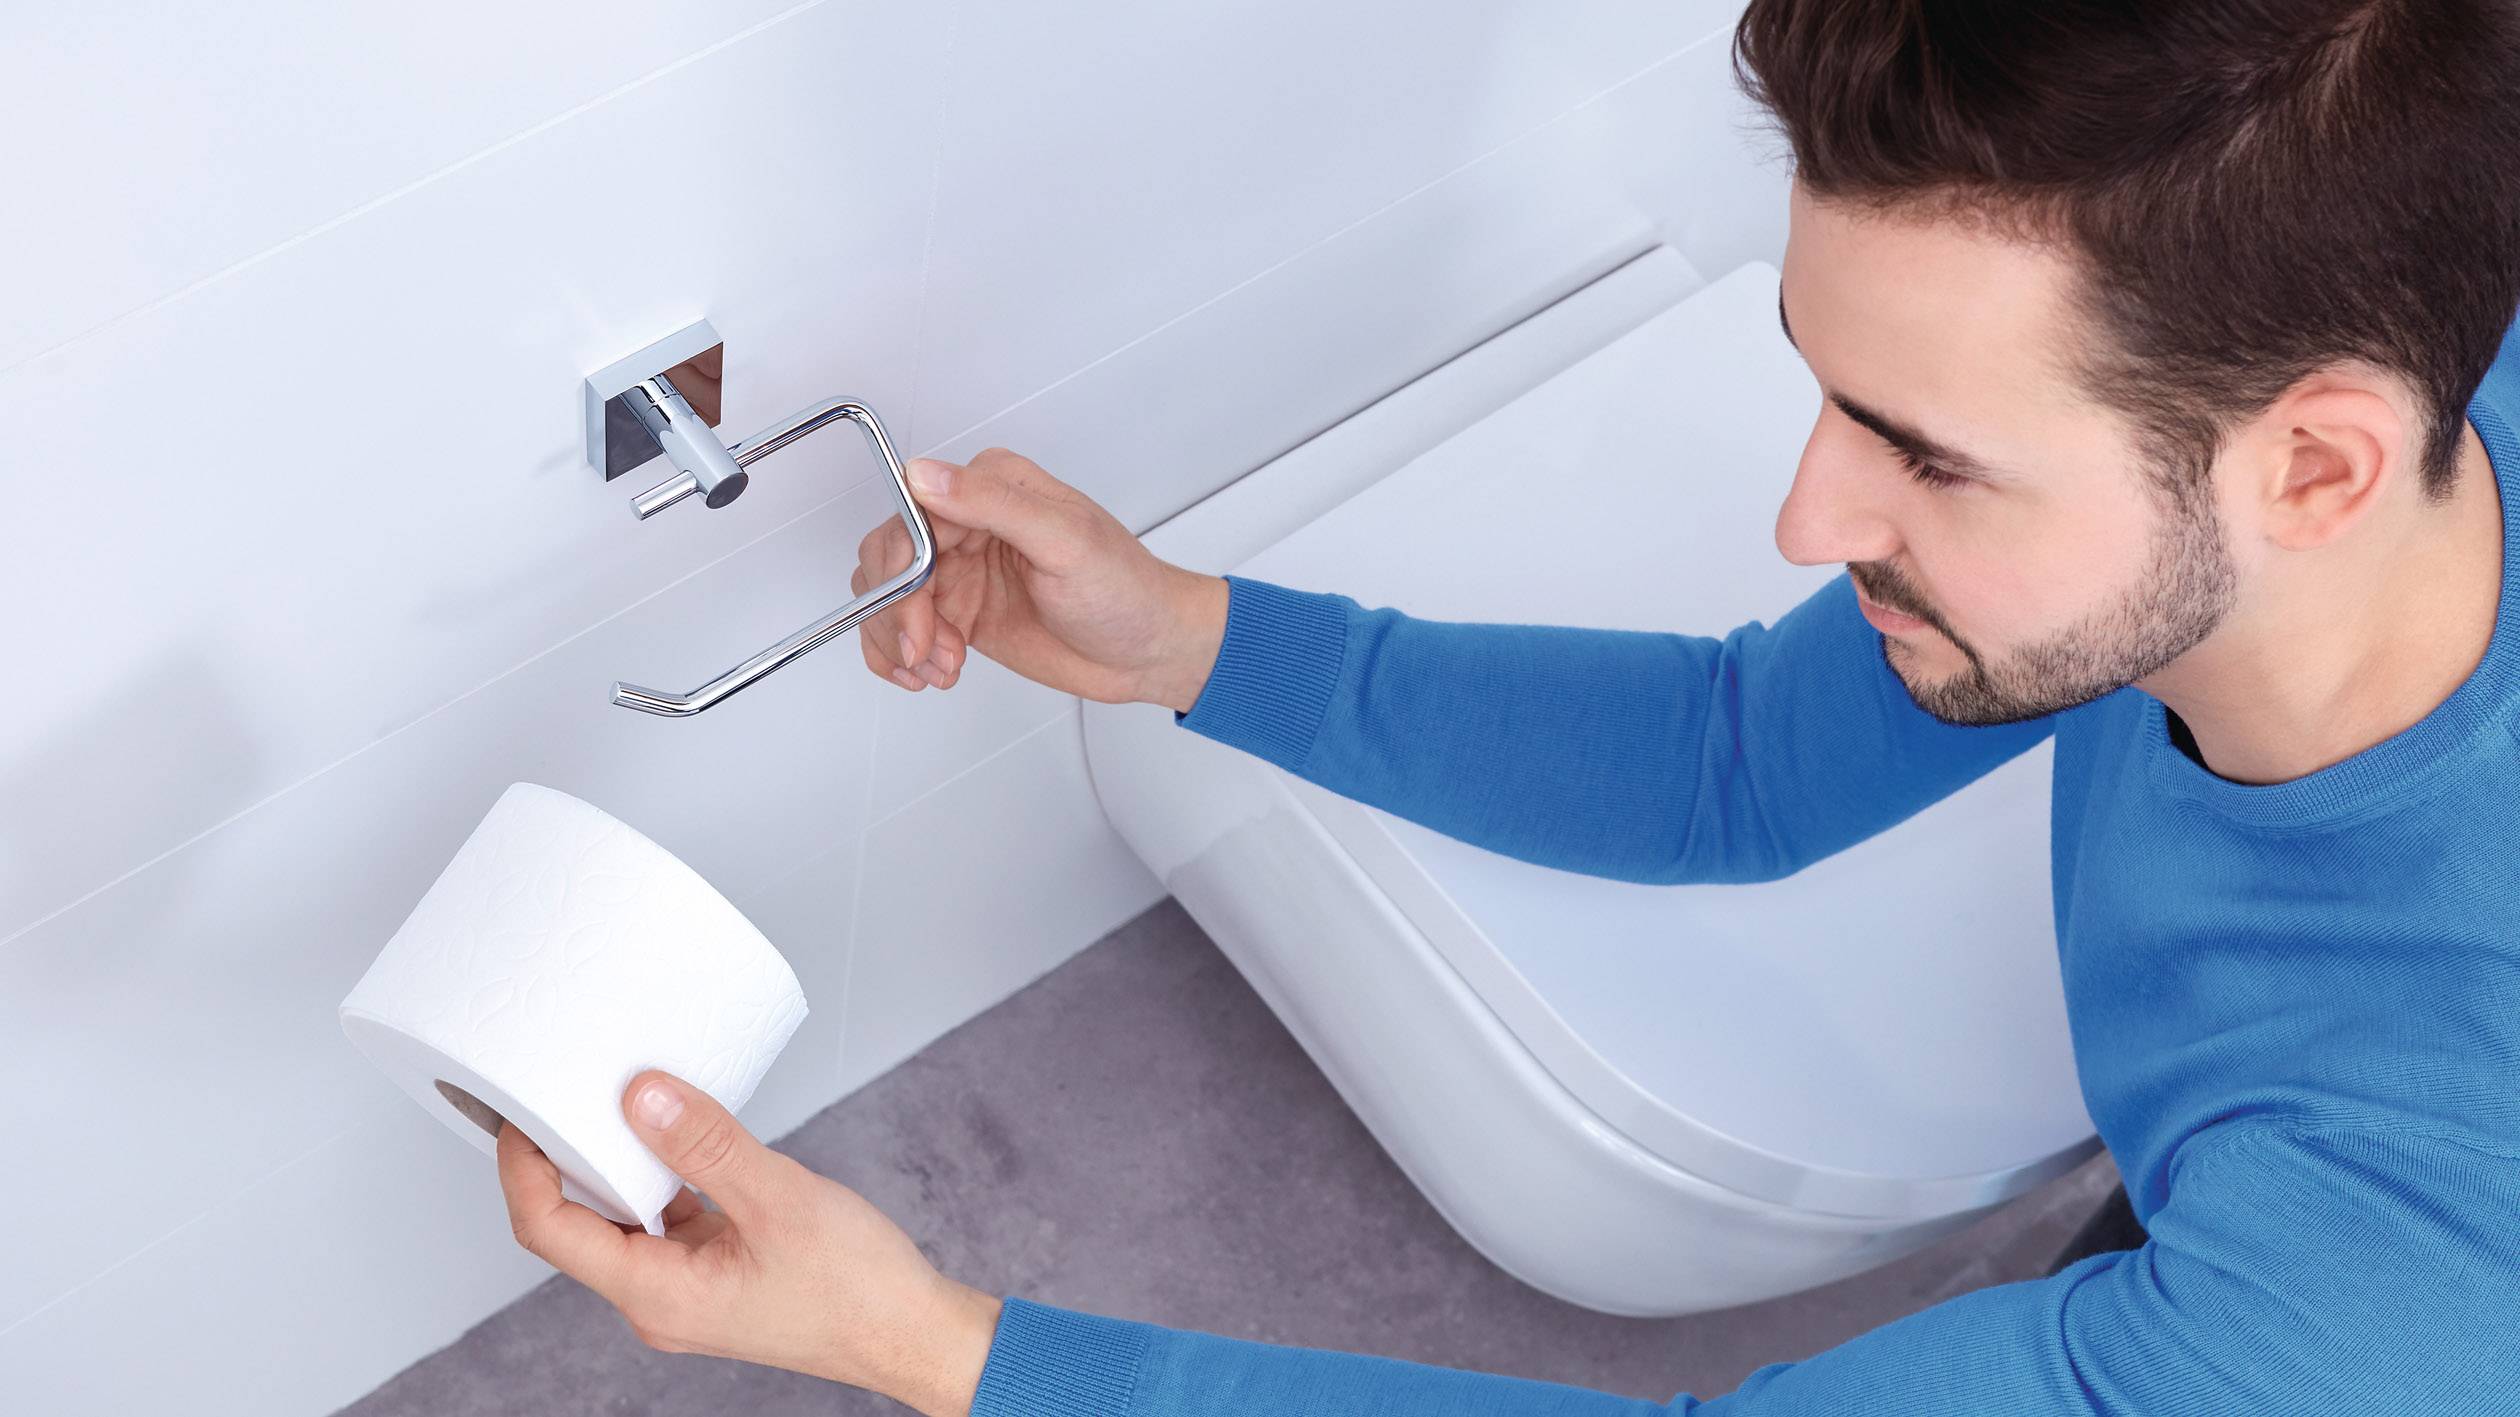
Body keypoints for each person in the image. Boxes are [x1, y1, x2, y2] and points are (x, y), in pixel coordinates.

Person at [495, 0, 2520, 1410]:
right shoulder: (2369, 358)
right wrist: (1181, 636)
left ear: (2317, 469)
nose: (1807, 519)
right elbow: (1740, 762)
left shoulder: (2388, 1267)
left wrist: (922, 1338)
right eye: (1832, 391)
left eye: (1930, 457)